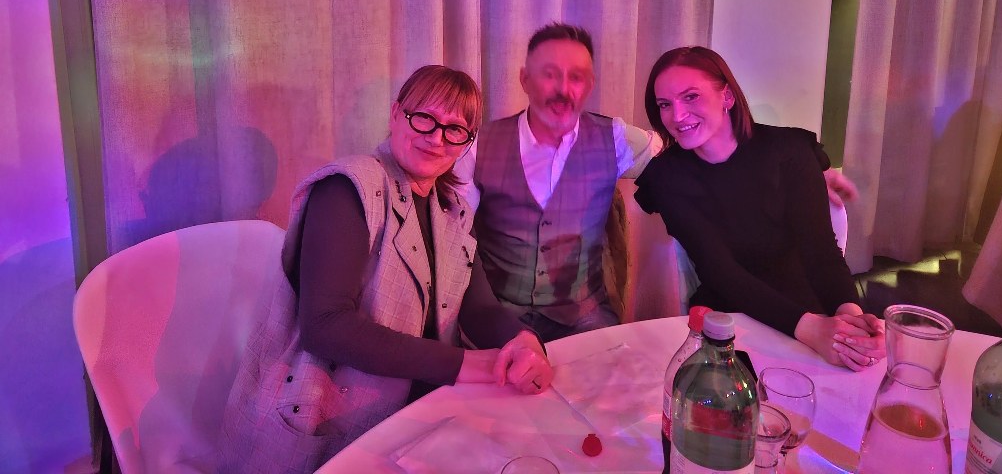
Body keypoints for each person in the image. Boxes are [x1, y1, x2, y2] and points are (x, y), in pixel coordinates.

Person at [220, 66, 553, 474]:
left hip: (425, 416)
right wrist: (468, 365)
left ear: (466, 142)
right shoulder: (347, 188)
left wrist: (523, 341)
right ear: (397, 114)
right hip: (331, 422)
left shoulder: (453, 211)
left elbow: (479, 307)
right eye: (425, 118)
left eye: (454, 129)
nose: (436, 138)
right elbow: (325, 326)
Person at [460, 23, 856, 343]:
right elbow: (452, 230)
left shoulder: (615, 139)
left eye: (576, 77)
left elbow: (708, 153)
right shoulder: (477, 145)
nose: (564, 90)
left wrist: (813, 167)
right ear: (525, 79)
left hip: (584, 318)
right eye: (549, 74)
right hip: (502, 318)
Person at [633, 46, 884, 371]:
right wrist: (811, 330)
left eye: (691, 97)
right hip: (729, 317)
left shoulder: (788, 153)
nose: (677, 116)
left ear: (727, 96)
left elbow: (822, 254)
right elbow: (721, 272)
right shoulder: (669, 177)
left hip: (807, 305)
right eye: (665, 104)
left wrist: (850, 320)